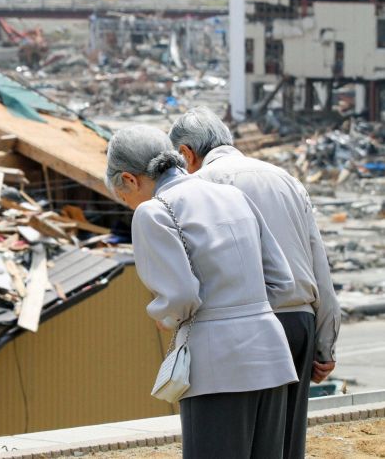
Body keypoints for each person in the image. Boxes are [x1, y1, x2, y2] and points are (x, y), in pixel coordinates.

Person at [106, 125, 299, 459]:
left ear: (130, 179)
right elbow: (283, 281)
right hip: (271, 353)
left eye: (123, 196)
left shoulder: (154, 211)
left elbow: (180, 296)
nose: (128, 204)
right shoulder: (232, 195)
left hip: (216, 364)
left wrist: (166, 316)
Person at [169, 107, 341, 459]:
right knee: (285, 446)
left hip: (244, 330)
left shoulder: (198, 187)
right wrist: (324, 345)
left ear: (186, 153)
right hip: (299, 325)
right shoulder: (285, 178)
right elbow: (318, 266)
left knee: (230, 443)